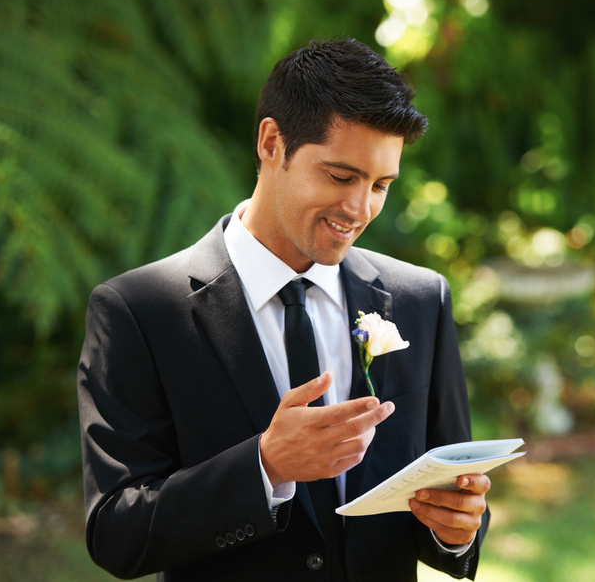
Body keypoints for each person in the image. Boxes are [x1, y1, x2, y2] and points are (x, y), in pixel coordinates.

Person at [77, 38, 490, 581]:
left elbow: (451, 486)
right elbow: (116, 531)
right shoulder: (139, 311)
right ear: (272, 142)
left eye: (381, 185)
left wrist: (455, 528)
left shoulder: (420, 299)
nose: (359, 209)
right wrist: (265, 466)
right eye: (341, 177)